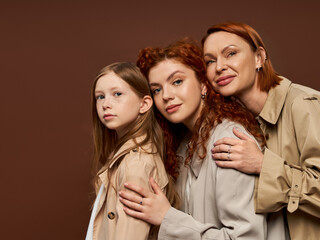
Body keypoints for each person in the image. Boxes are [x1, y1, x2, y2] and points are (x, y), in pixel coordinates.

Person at [202, 22, 320, 239]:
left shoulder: (305, 105)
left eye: (230, 53)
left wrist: (262, 164)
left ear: (259, 57)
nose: (219, 66)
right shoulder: (241, 122)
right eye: (210, 60)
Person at [118, 40, 286, 239]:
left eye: (177, 82)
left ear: (203, 84)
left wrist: (167, 218)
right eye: (156, 89)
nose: (166, 95)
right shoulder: (183, 146)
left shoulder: (228, 140)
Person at [85, 62, 178, 240]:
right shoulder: (123, 157)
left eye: (117, 94)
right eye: (100, 97)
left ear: (144, 104)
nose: (106, 104)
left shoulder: (135, 164)